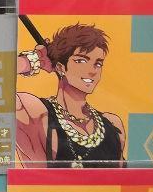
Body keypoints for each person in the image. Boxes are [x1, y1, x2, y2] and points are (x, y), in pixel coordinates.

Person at [14, 23, 125, 168]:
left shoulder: (113, 124)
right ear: (60, 67)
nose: (92, 70)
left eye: (98, 64)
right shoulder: (35, 113)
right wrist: (35, 59)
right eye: (81, 61)